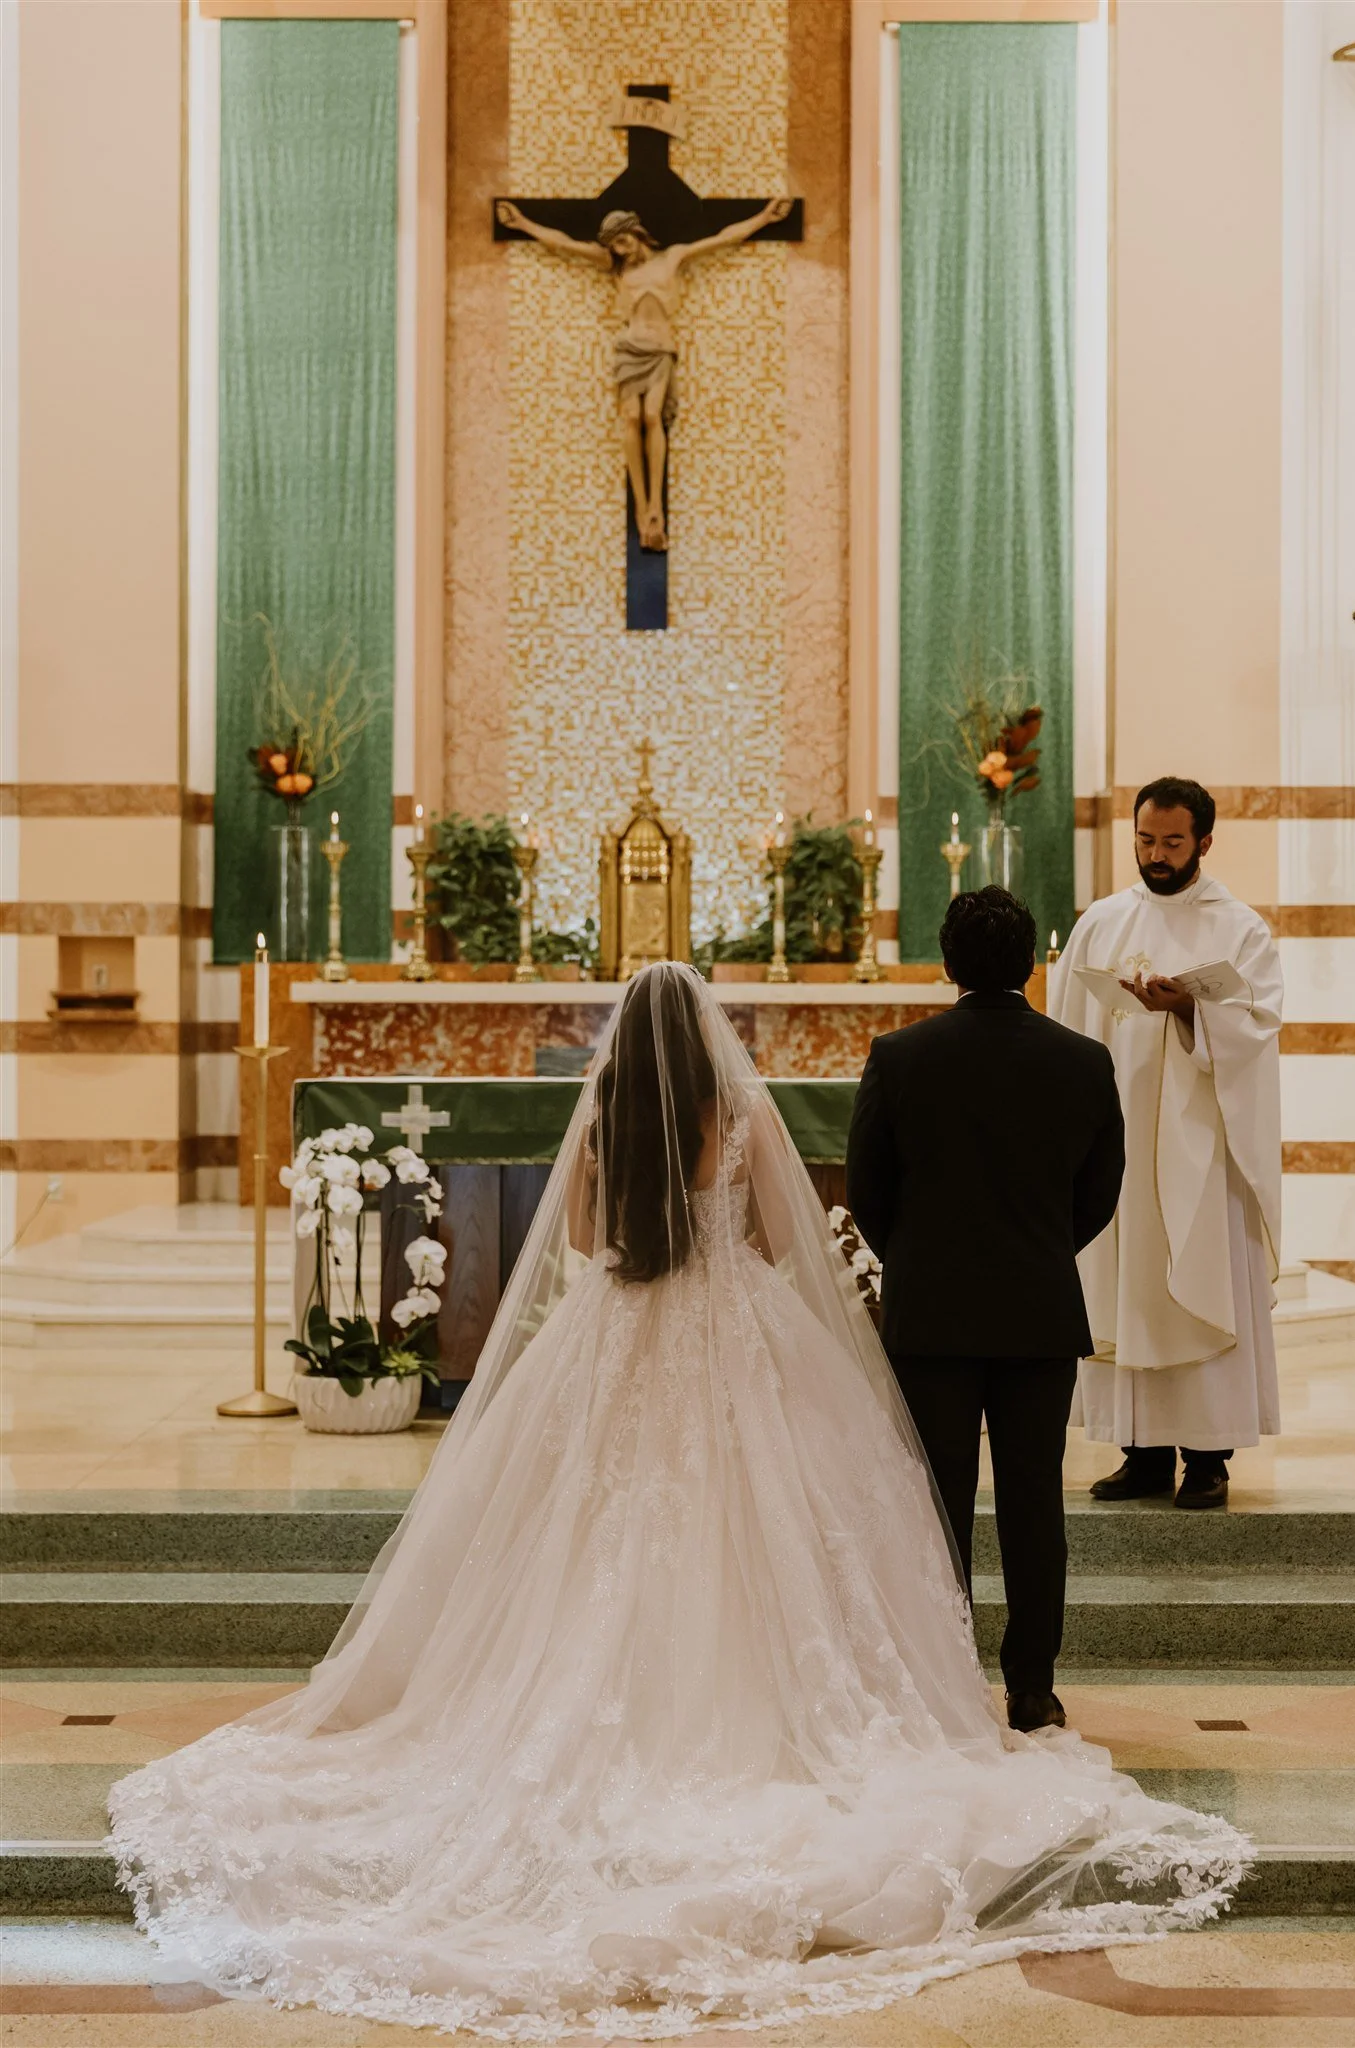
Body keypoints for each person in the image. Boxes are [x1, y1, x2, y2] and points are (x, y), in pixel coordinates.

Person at [109, 965, 1243, 2040]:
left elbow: (593, 1244)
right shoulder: (738, 1115)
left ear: (621, 1041)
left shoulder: (605, 1117)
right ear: (703, 1037)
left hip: (620, 1336)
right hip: (733, 1331)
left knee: (585, 1536)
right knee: (773, 1530)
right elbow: (789, 1246)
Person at [846, 888, 1125, 1737]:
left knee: (934, 1502)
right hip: (1038, 1309)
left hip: (931, 1314)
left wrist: (923, 1263)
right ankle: (1032, 1687)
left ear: (946, 962)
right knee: (1034, 1503)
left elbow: (867, 1192)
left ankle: (941, 1678)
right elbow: (1098, 1193)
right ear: (1033, 964)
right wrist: (1040, 1251)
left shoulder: (899, 1056)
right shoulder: (1082, 1060)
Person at [1049, 777, 1282, 1510]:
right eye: (1145, 840)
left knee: (1198, 1281)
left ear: (1204, 842)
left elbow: (1258, 1029)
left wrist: (1191, 1012)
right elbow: (1066, 1020)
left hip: (1202, 1150)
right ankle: (1141, 1453)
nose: (1155, 855)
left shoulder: (1239, 928)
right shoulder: (1103, 922)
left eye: (1171, 842)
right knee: (1128, 1289)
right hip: (1116, 1138)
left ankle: (1207, 1458)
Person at [493, 198, 791, 551]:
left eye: (622, 241)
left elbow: (723, 238)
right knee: (631, 417)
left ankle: (655, 507)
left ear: (635, 233)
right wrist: (522, 223)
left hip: (660, 349)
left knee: (653, 416)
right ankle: (640, 504)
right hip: (629, 349)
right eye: (614, 246)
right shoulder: (616, 268)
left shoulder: (673, 257)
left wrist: (763, 218)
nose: (619, 250)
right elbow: (563, 244)